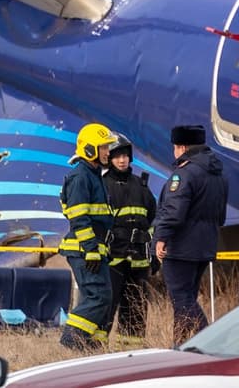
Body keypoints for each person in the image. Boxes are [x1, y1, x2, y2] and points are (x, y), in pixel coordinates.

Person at [152, 125, 228, 347]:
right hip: (205, 246)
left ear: (182, 147)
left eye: (175, 148)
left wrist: (161, 238)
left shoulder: (184, 174)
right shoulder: (218, 174)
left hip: (181, 247)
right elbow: (221, 216)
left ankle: (211, 342)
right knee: (187, 299)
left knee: (182, 298)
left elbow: (173, 212)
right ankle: (183, 346)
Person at [58, 123, 117, 351]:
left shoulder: (95, 175)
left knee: (105, 298)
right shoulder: (80, 176)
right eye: (103, 147)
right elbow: (79, 217)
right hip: (84, 251)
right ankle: (71, 341)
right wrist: (91, 248)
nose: (108, 152)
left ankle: (94, 348)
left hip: (95, 250)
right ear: (90, 149)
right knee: (98, 297)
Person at [102, 132, 156, 345]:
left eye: (125, 155)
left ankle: (130, 352)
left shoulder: (141, 187)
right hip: (112, 260)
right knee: (107, 307)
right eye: (117, 156)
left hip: (138, 262)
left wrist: (153, 255)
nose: (122, 160)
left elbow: (153, 220)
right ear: (110, 158)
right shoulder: (102, 185)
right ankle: (95, 351)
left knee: (136, 309)